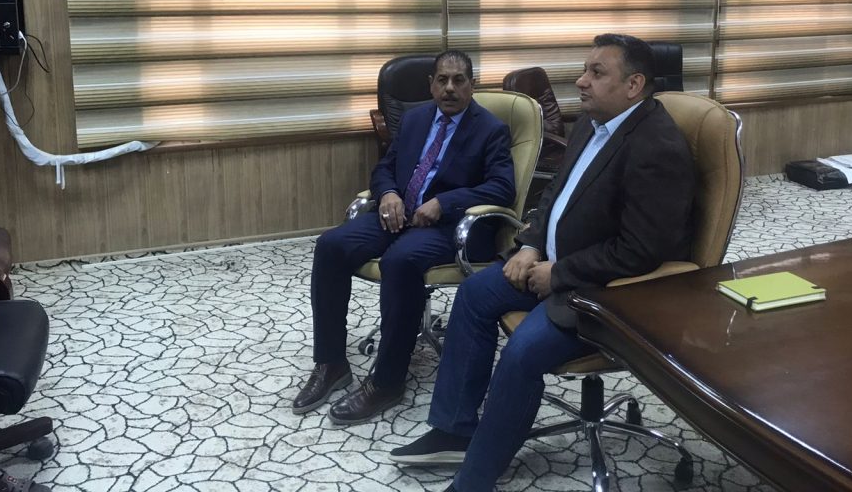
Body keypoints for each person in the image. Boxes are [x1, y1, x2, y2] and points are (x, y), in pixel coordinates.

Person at [388, 33, 695, 491]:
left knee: (522, 353)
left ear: (634, 85)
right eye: (585, 69)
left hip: (607, 290)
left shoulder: (657, 146)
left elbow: (642, 250)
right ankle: (455, 431)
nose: (581, 81)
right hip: (549, 263)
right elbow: (554, 194)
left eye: (596, 73)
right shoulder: (593, 122)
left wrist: (560, 272)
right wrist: (531, 244)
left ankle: (475, 480)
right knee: (473, 295)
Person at [292, 50, 516, 425]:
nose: (449, 88)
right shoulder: (415, 119)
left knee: (400, 260)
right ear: (431, 84)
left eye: (458, 80)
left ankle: (387, 381)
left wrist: (444, 203)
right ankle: (331, 363)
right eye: (442, 80)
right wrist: (388, 194)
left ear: (472, 85)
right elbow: (385, 168)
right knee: (330, 246)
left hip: (450, 226)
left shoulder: (490, 129)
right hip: (399, 213)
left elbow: (502, 187)